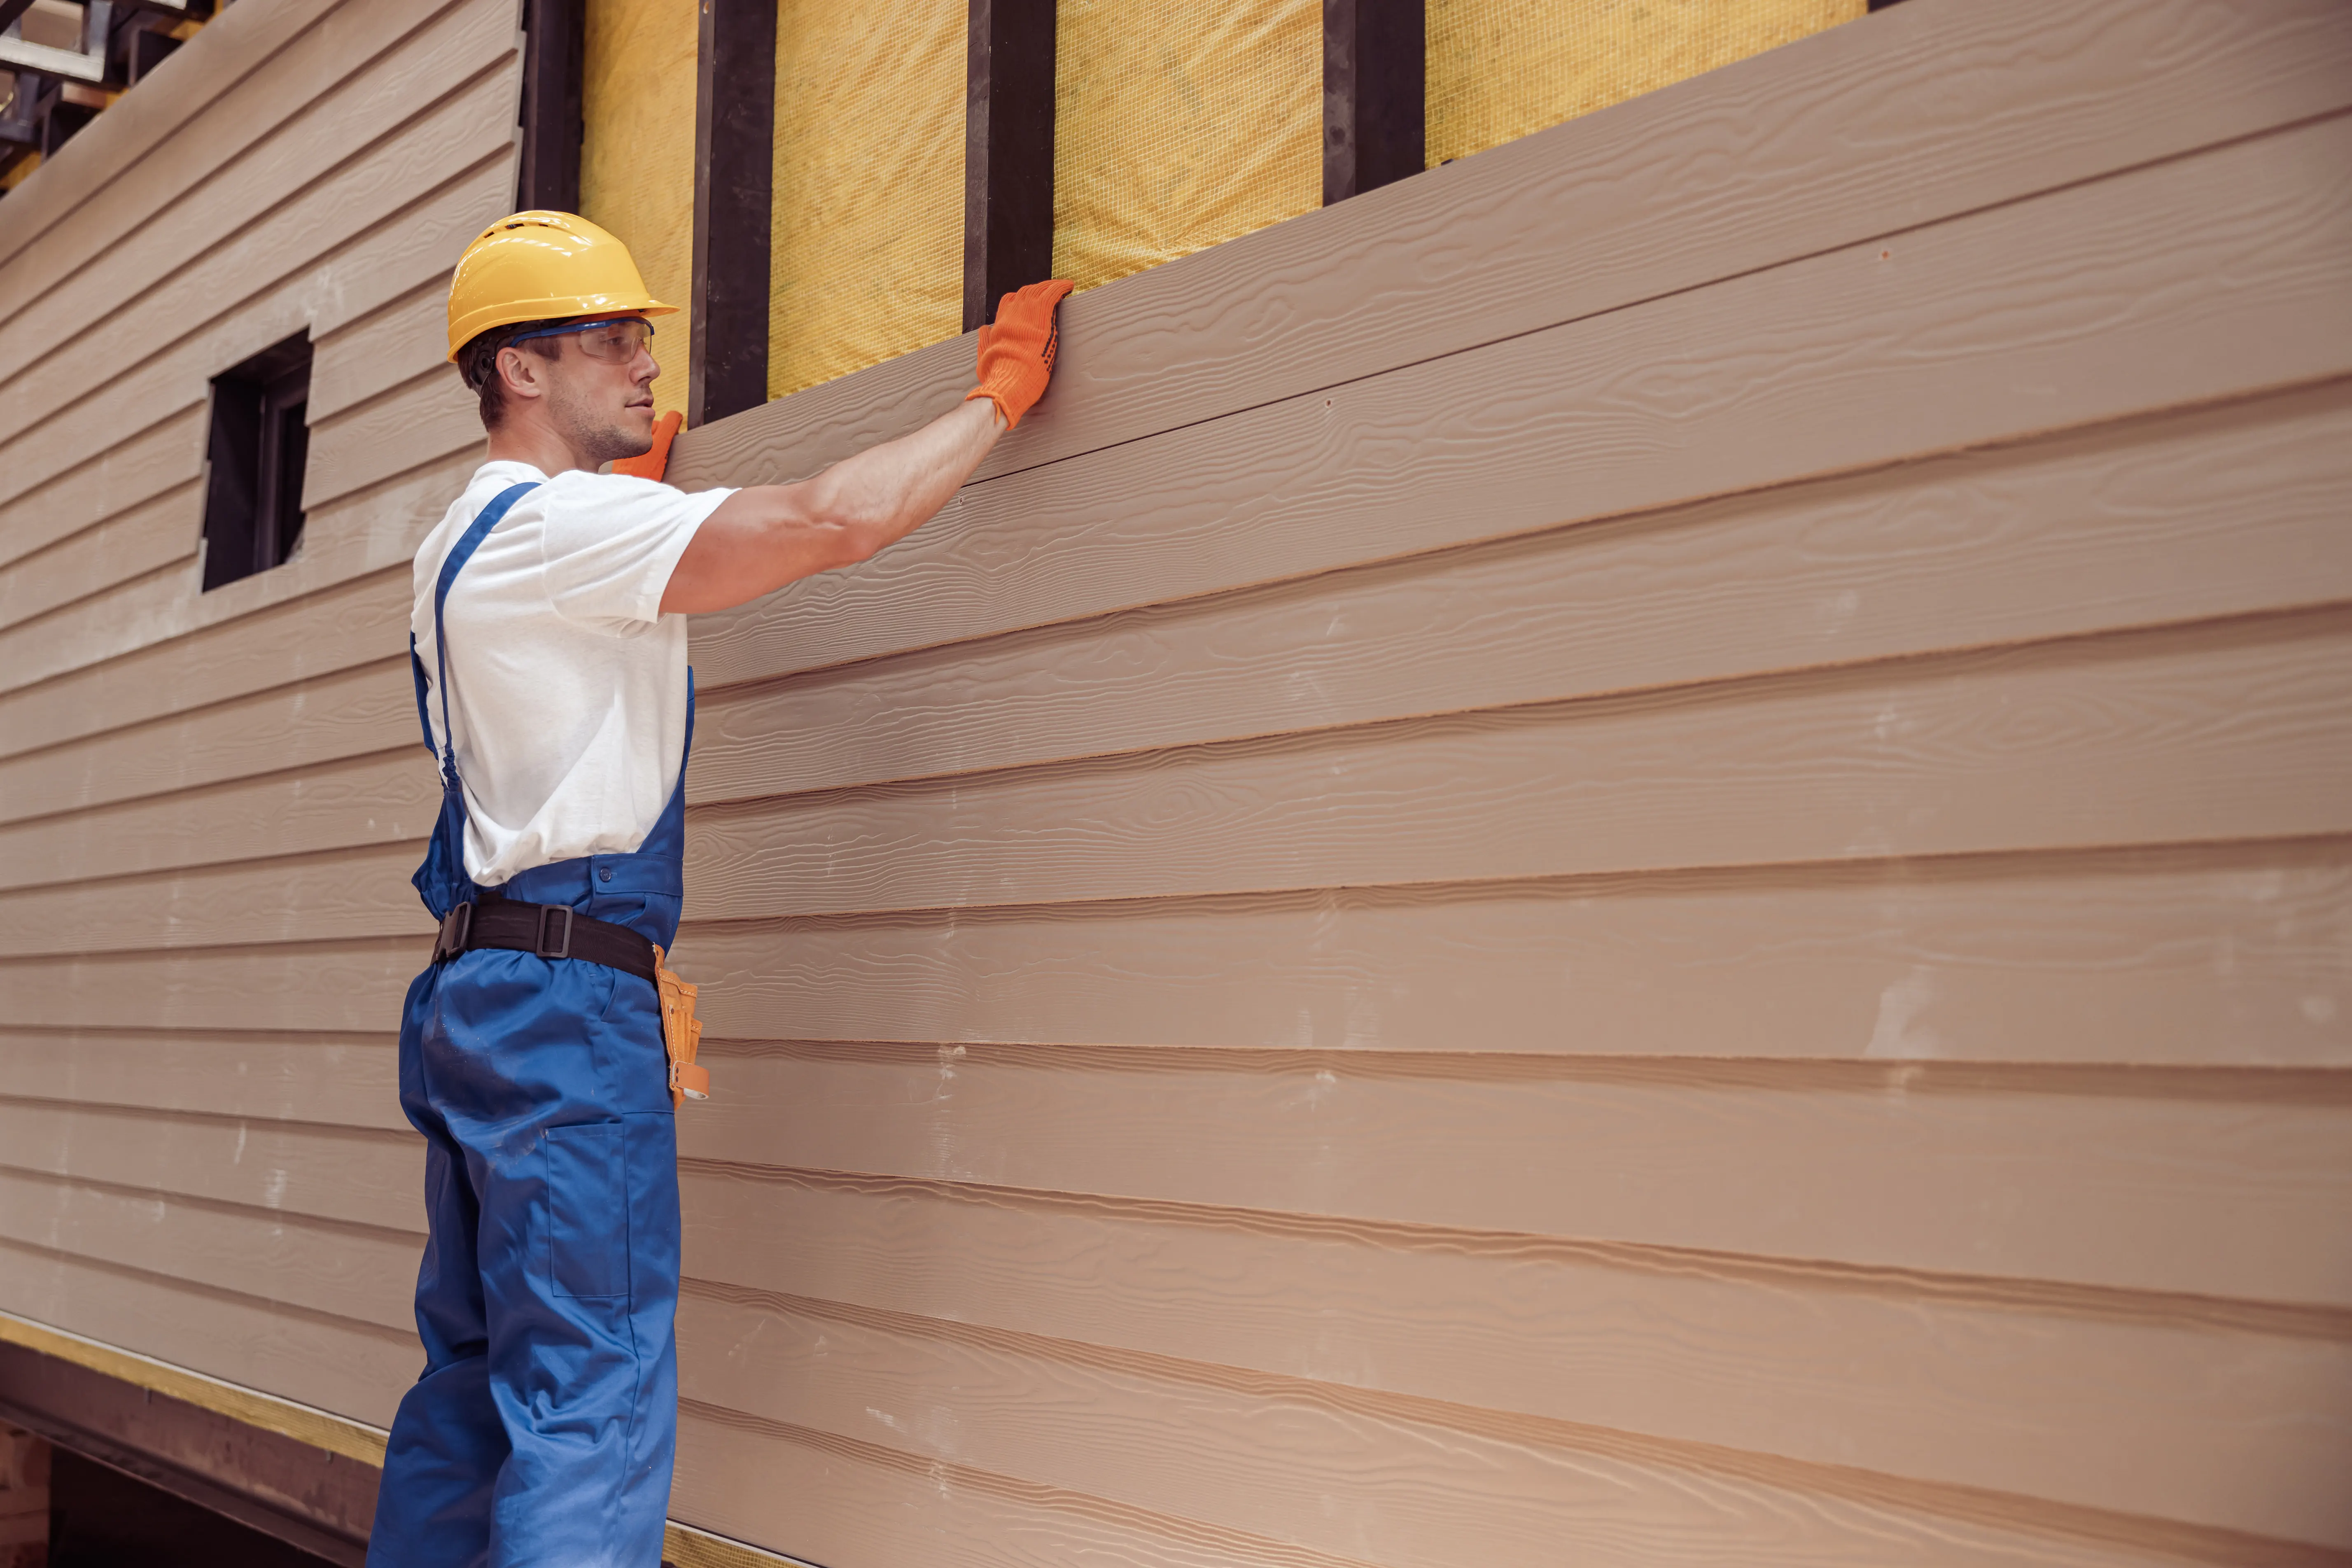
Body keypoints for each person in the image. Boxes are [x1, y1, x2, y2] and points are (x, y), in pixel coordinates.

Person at [366, 210, 1071, 1567]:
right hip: (571, 1005)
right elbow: (835, 520)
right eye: (614, 338)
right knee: (592, 1395)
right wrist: (995, 397)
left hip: (477, 991)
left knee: (475, 1383)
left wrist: (645, 499)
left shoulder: (465, 538)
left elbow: (575, 640)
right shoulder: (567, 529)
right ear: (521, 370)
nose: (643, 361)